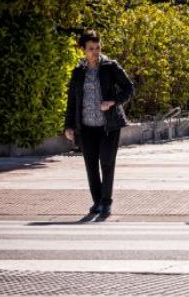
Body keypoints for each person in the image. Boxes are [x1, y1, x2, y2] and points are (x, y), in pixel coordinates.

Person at [63, 30, 134, 218]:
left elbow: (129, 88)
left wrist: (112, 102)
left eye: (98, 47)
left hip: (108, 126)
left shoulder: (111, 67)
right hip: (86, 127)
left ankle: (106, 202)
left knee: (107, 163)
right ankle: (97, 201)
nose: (95, 51)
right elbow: (72, 101)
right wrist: (69, 126)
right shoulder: (78, 72)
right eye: (91, 48)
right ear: (83, 50)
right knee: (91, 165)